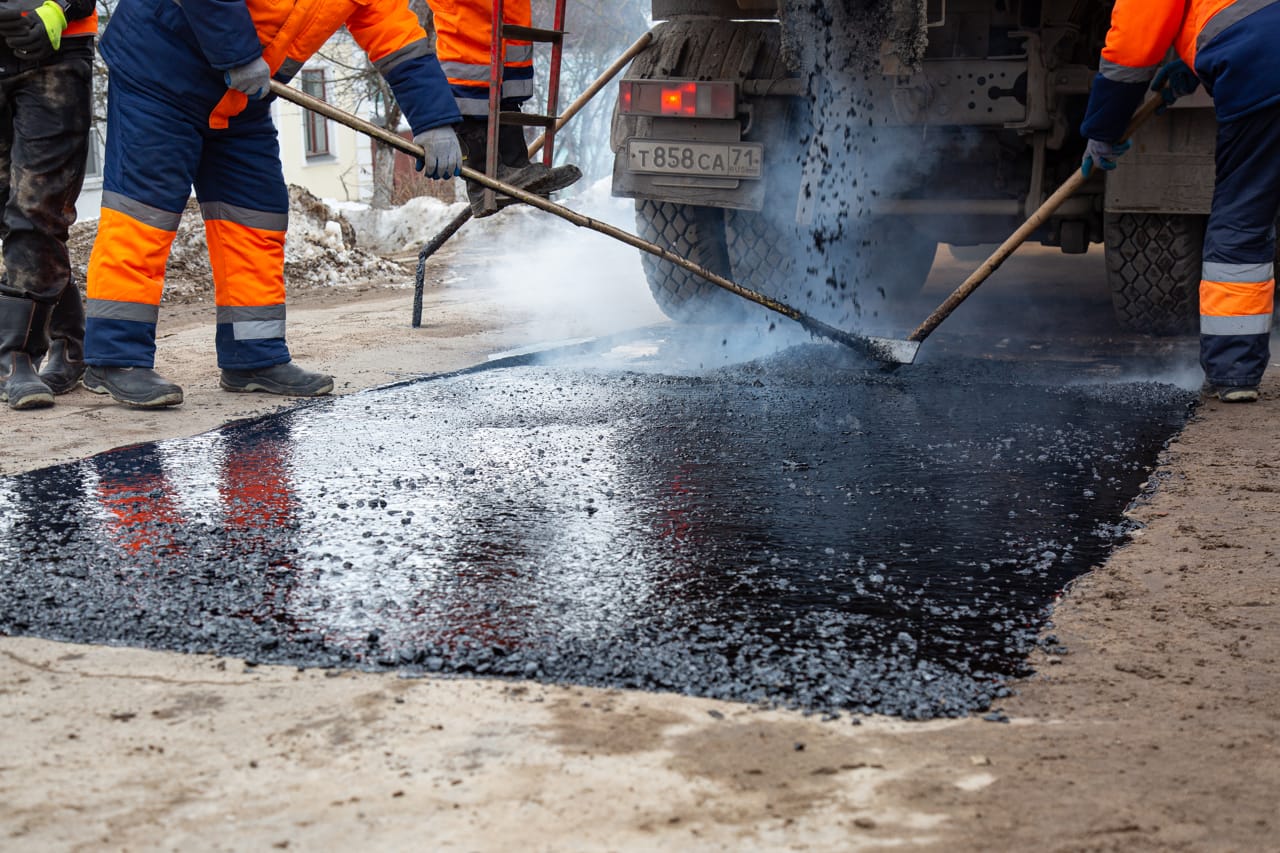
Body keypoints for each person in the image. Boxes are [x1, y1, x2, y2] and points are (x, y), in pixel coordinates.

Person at [82, 0, 464, 408]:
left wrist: (434, 119)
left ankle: (253, 356)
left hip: (242, 95)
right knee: (144, 215)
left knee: (254, 218)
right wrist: (239, 54)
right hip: (160, 70)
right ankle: (115, 358)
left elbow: (397, 38)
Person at [1080, 0, 1280, 404]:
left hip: (1264, 75)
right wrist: (1193, 66)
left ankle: (1235, 371)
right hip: (1263, 55)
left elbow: (1132, 50)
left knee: (1242, 219)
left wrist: (1103, 128)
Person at [0, 0, 96, 411]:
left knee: (36, 207)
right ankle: (70, 338)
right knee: (12, 211)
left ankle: (15, 355)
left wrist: (63, 5)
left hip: (56, 49)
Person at [427, 0, 580, 216]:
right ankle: (483, 180)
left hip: (505, 29)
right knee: (472, 91)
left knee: (506, 95)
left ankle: (515, 166)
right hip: (471, 29)